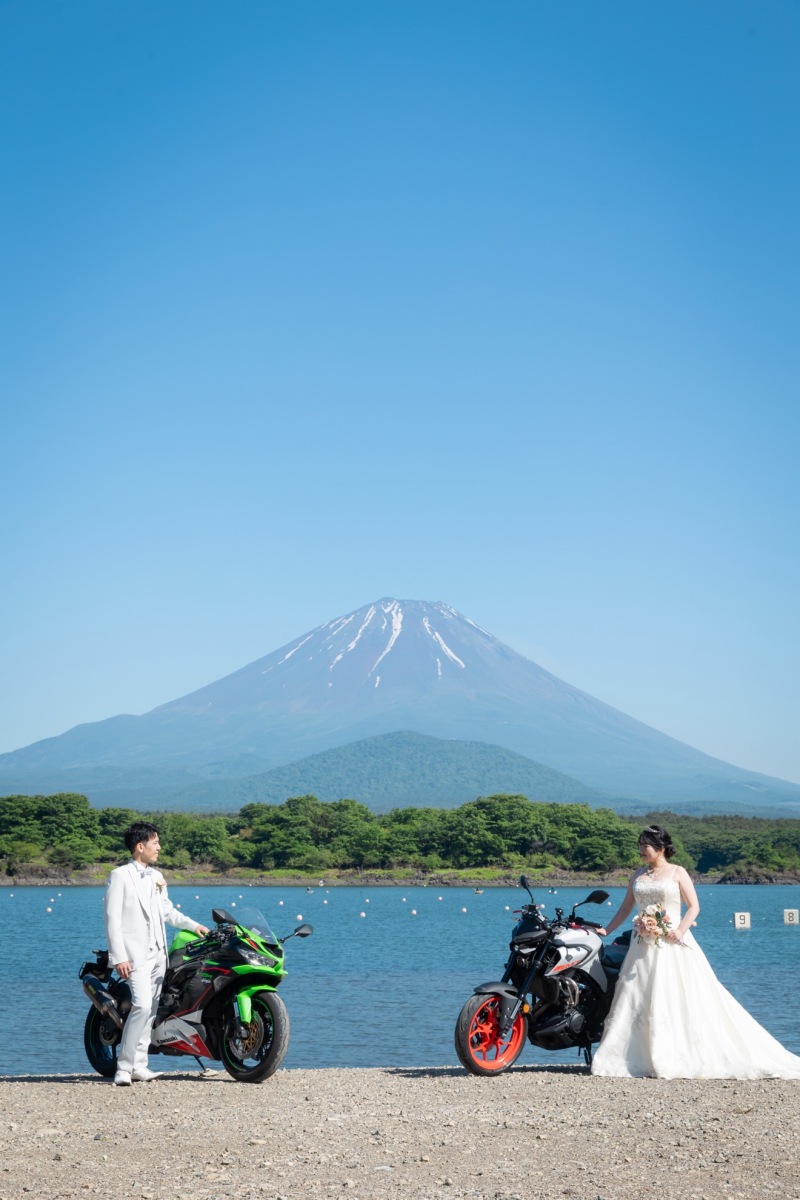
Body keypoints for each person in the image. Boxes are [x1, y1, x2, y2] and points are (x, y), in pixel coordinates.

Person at [591, 824, 800, 1079]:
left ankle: (675, 1053)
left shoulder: (678, 872)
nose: (641, 850)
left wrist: (679, 930)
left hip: (672, 943)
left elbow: (694, 907)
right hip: (642, 944)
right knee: (636, 995)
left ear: (661, 848)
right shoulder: (638, 875)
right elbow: (625, 909)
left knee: (677, 995)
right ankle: (634, 1057)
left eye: (646, 845)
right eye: (640, 844)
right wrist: (607, 931)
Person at [104, 821, 209, 1087]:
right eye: (155, 843)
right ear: (140, 846)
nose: (159, 847)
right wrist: (119, 957)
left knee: (151, 1009)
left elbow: (167, 912)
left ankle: (140, 1065)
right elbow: (112, 919)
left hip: (157, 954)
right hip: (134, 956)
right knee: (140, 1005)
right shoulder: (119, 876)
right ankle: (124, 1068)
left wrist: (193, 925)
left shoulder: (156, 877)